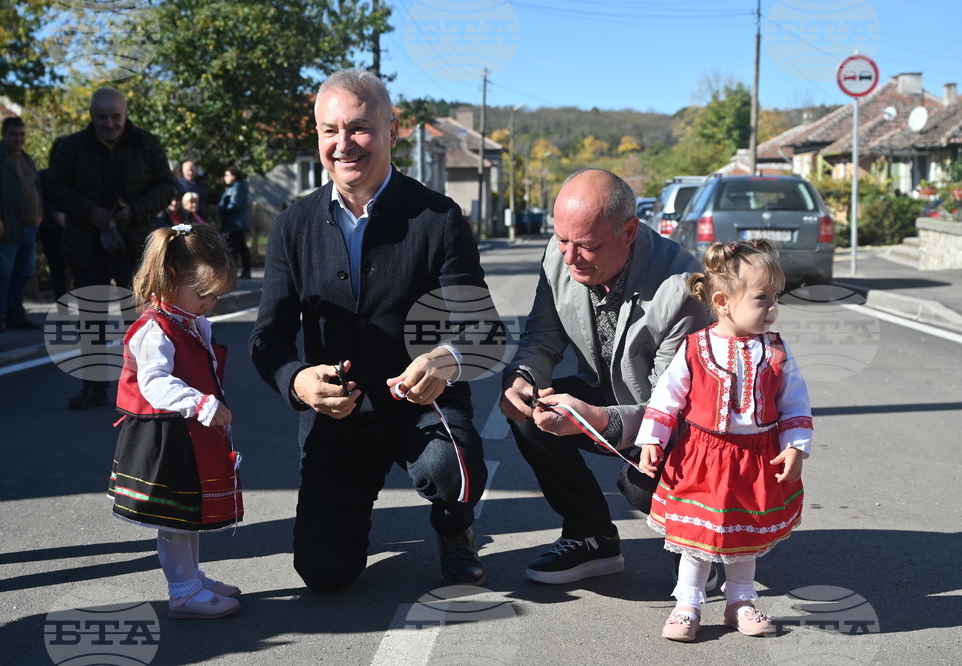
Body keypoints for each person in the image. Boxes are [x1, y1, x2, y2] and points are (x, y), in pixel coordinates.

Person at [249, 69, 490, 592]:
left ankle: (455, 528)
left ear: (392, 130)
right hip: (339, 419)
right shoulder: (292, 226)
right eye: (330, 130)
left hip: (422, 408)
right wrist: (297, 381)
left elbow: (482, 329)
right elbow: (267, 337)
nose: (344, 144)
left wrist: (444, 360)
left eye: (359, 127)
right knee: (324, 574)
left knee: (451, 469)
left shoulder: (439, 218)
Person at [498, 168, 709, 585]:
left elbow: (673, 407)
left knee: (640, 483)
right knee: (530, 414)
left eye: (586, 245)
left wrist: (594, 418)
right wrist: (522, 378)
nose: (569, 257)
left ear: (629, 231)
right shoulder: (558, 256)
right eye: (562, 239)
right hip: (610, 399)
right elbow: (542, 335)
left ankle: (698, 544)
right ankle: (591, 537)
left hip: (678, 427)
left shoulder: (683, 288)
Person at [636, 240, 812, 641]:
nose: (773, 308)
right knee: (698, 536)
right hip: (703, 458)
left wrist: (795, 445)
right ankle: (688, 604)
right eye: (762, 298)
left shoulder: (776, 350)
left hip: (757, 460)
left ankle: (740, 601)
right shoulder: (695, 348)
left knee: (743, 535)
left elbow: (794, 401)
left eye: (776, 298)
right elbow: (667, 397)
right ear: (723, 302)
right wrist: (652, 441)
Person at [108, 223, 242, 619]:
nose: (210, 303)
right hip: (166, 435)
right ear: (170, 278)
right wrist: (200, 404)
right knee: (175, 519)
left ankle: (192, 579)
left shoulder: (184, 319)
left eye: (215, 296)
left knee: (188, 516)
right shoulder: (155, 328)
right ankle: (182, 592)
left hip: (185, 431)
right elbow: (153, 383)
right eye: (203, 294)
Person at [46, 86, 176, 410]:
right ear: (92, 116)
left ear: (125, 114)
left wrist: (136, 209)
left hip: (136, 245)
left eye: (115, 116)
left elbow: (166, 186)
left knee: (142, 319)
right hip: (87, 246)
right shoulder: (73, 146)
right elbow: (53, 186)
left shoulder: (147, 143)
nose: (109, 123)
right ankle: (94, 389)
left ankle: (146, 387)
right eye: (101, 117)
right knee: (91, 321)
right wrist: (88, 210)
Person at [0, 116, 43, 333]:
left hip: (28, 228)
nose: (18, 139)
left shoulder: (26, 158)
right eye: (13, 134)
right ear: (4, 135)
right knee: (2, 274)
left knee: (24, 272)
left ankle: (15, 315)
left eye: (21, 134)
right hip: (5, 227)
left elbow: (35, 187)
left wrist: (39, 211)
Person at [38, 136, 69, 300]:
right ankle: (62, 309)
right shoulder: (43, 176)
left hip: (74, 228)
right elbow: (39, 200)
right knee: (57, 269)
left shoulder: (78, 177)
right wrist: (55, 214)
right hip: (50, 229)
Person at [217, 165, 252, 279]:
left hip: (235, 224)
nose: (225, 177)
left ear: (234, 176)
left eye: (227, 175)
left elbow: (234, 205)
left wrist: (220, 208)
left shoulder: (237, 188)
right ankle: (238, 271)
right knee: (237, 247)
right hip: (234, 223)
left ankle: (241, 271)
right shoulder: (234, 187)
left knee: (235, 247)